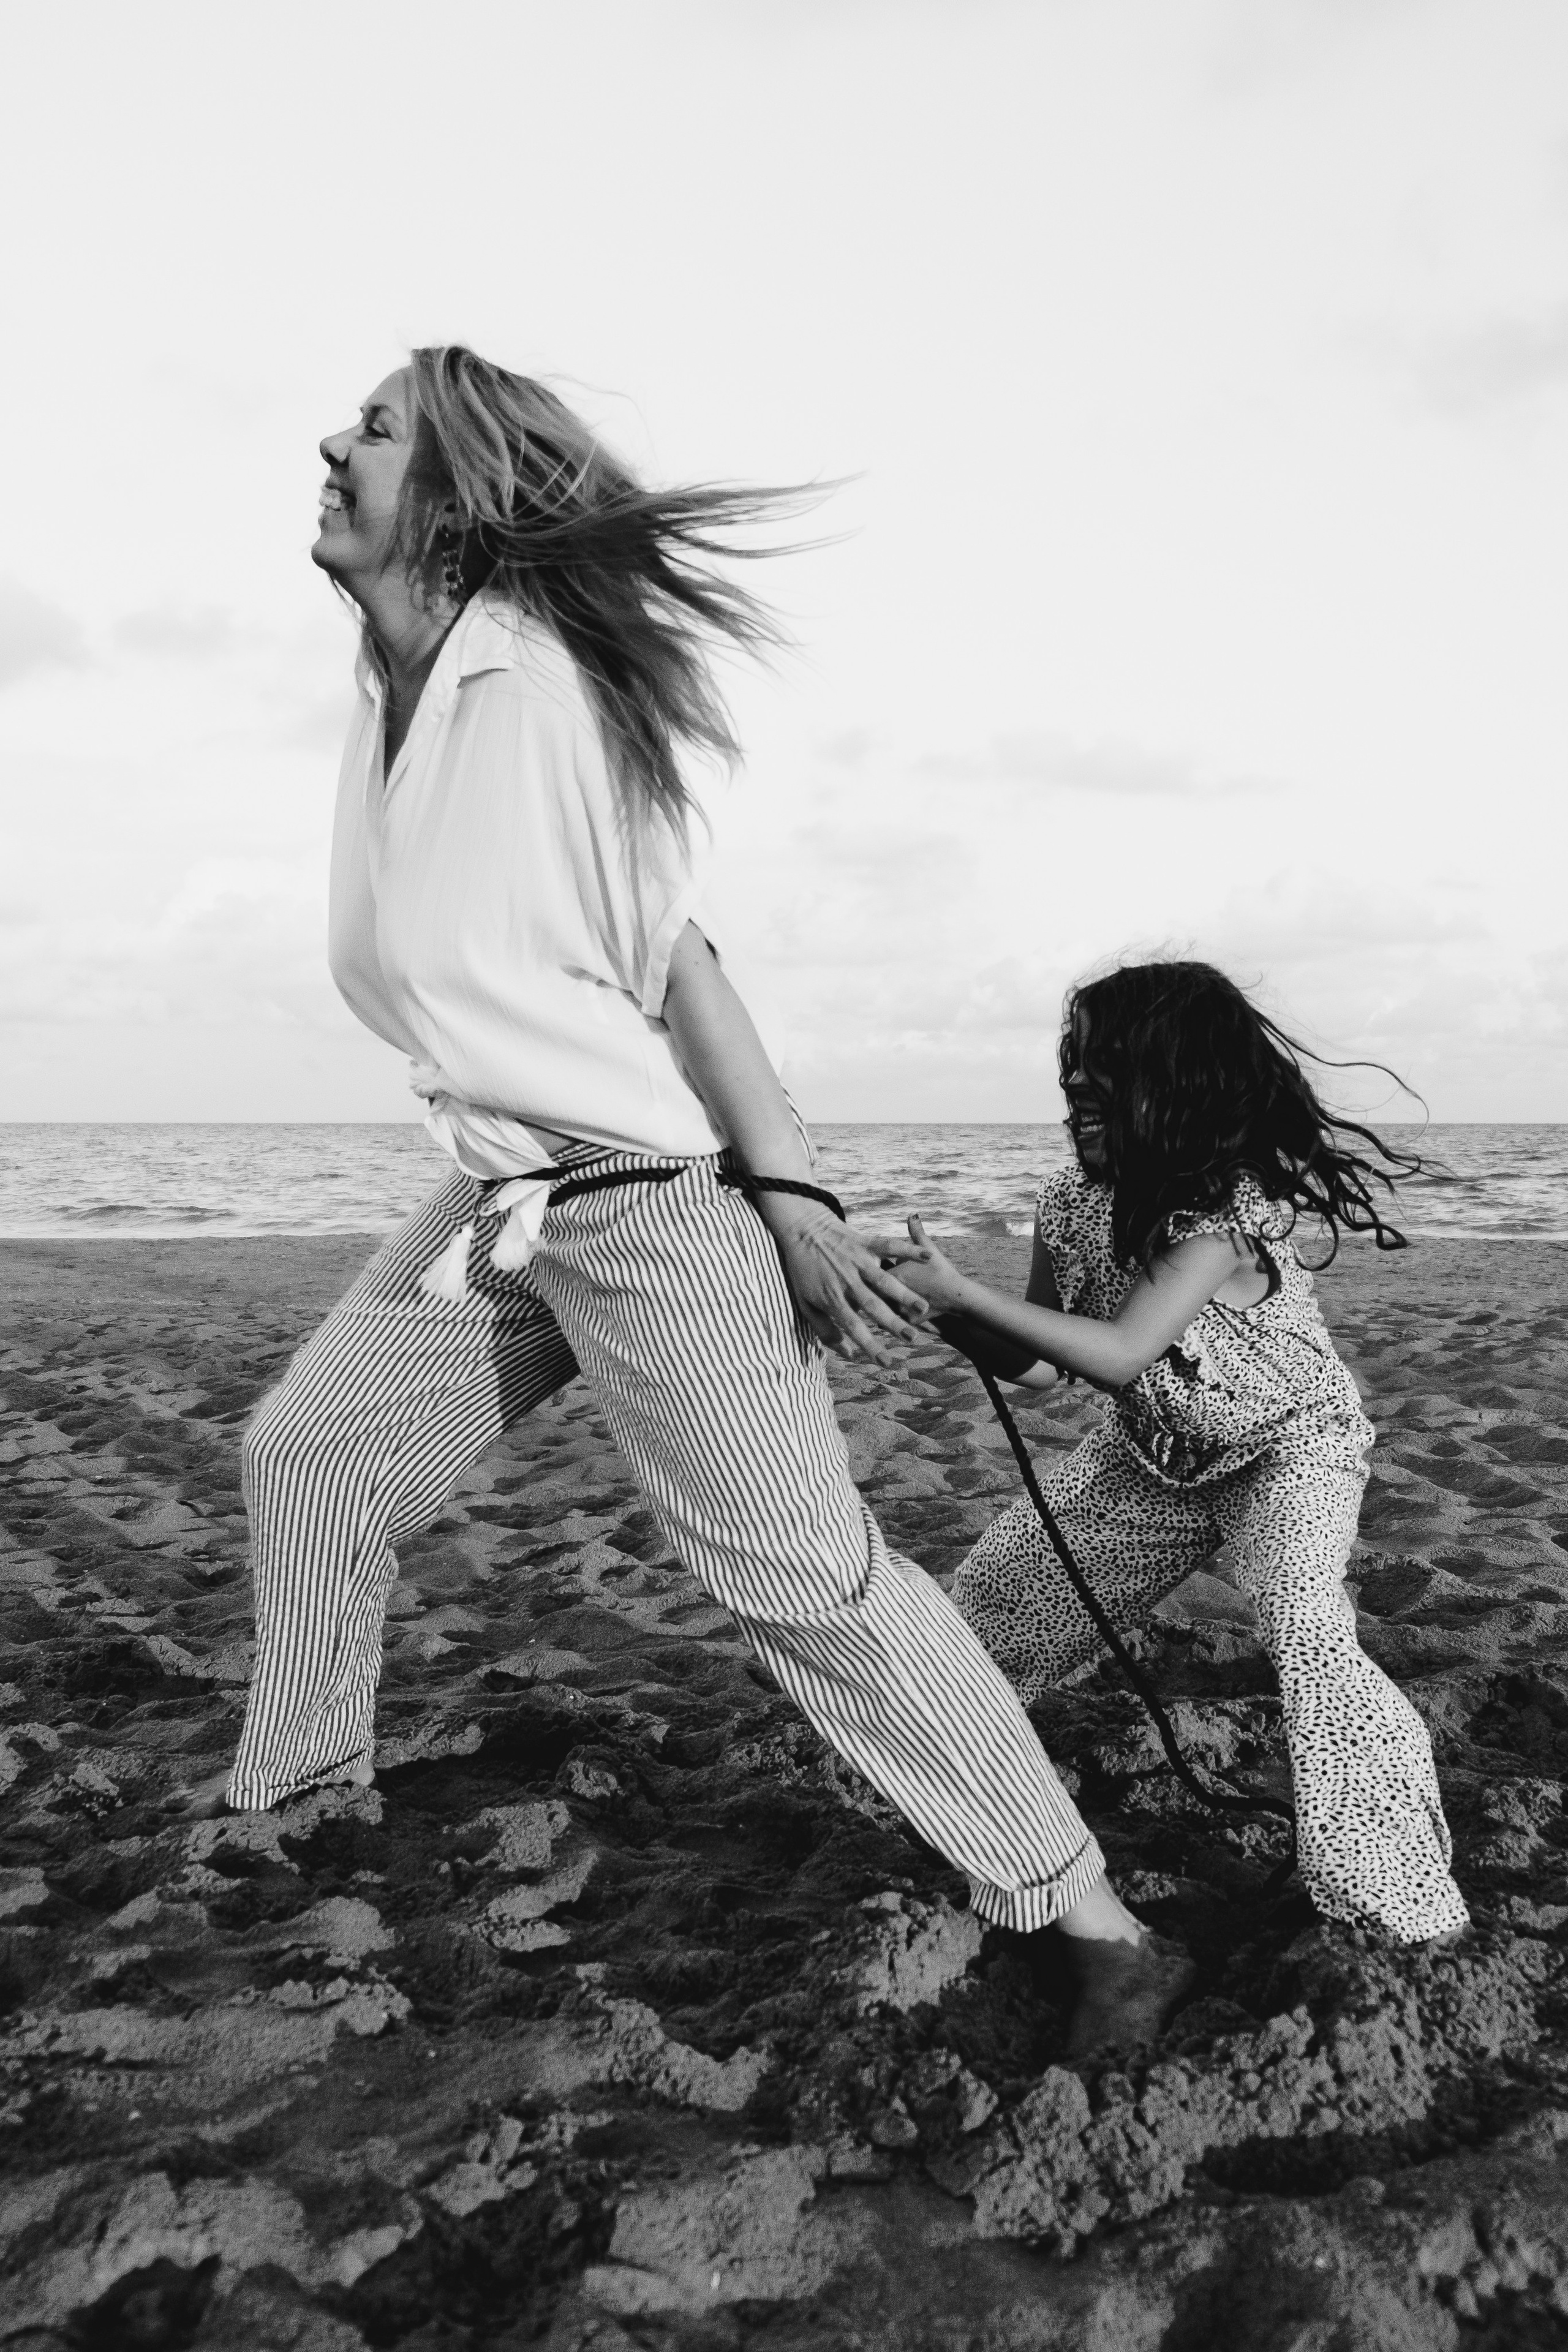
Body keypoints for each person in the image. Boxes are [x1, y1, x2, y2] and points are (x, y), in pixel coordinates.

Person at [181, 344, 1193, 2053]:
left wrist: (788, 1190)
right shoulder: (393, 700)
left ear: (454, 497)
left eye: (373, 430)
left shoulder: (543, 696)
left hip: (643, 1209)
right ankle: (302, 1795)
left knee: (803, 1581)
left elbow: (680, 961)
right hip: (503, 1204)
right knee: (313, 1448)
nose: (332, 444)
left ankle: (1093, 1917)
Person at [887, 959, 1469, 1947]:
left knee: (1305, 1626)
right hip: (1151, 1457)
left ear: (1178, 1086)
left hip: (1290, 1451)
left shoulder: (1222, 1214)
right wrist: (939, 1312)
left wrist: (964, 1294)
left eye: (1103, 1069)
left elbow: (1119, 1349)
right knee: (984, 1618)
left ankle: (1400, 1908)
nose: (1076, 1088)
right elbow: (1043, 1369)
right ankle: (973, 1823)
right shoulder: (1068, 1200)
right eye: (1073, 1066)